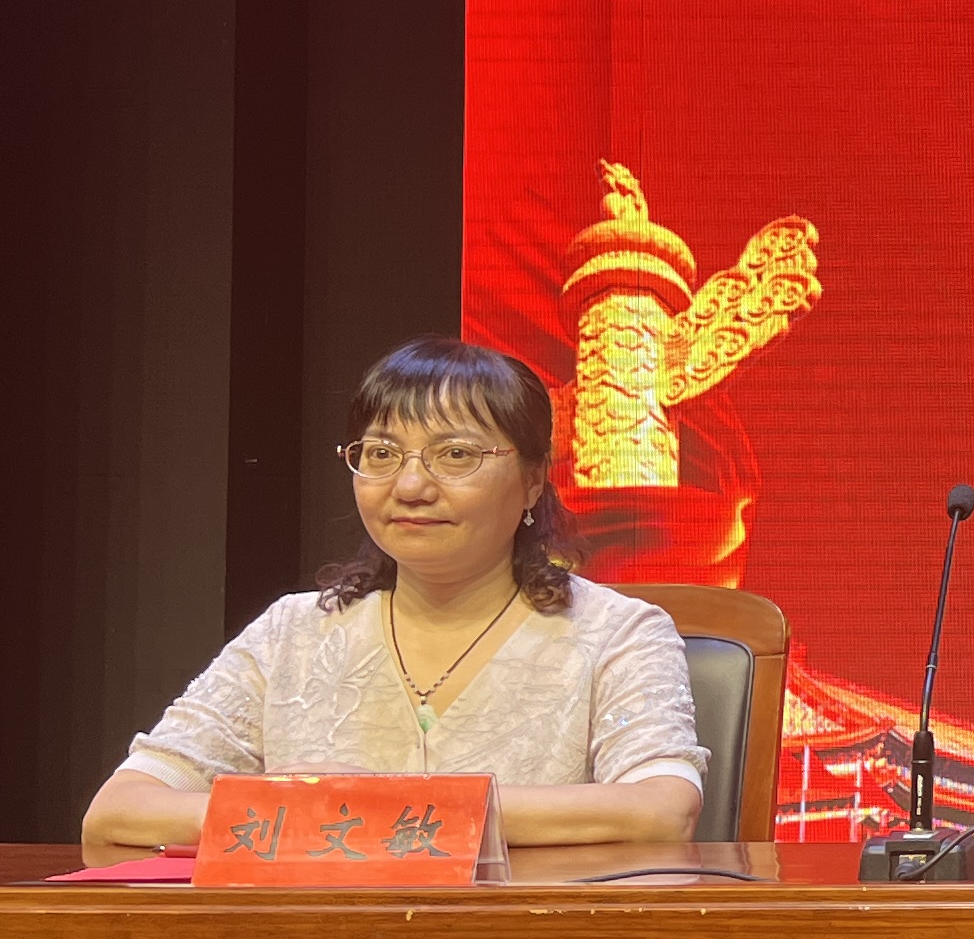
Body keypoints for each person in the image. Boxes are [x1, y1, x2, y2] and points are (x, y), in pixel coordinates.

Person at [84, 338, 708, 851]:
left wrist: (368, 810)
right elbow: (118, 813)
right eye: (382, 454)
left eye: (455, 455)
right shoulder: (293, 633)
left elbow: (661, 811)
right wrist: (304, 813)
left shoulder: (615, 632)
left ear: (533, 480)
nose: (410, 486)